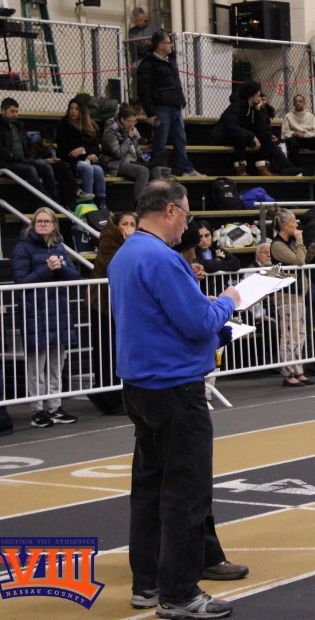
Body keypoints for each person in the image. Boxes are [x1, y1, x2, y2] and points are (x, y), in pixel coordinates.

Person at [108, 179, 244, 617]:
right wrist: (228, 301)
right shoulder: (162, 258)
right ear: (169, 210)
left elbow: (155, 316)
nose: (187, 224)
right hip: (175, 385)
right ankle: (181, 593)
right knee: (186, 490)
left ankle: (147, 582)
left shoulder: (126, 253)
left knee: (149, 487)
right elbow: (196, 323)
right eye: (185, 214)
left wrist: (204, 310)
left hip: (140, 384)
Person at [12, 208, 80, 428]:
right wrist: (47, 268)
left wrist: (59, 268)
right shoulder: (22, 247)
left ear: (54, 225)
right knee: (36, 365)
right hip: (35, 312)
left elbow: (74, 275)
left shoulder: (59, 246)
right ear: (32, 224)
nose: (43, 224)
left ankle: (55, 407)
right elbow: (21, 281)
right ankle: (37, 410)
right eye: (39, 221)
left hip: (58, 311)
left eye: (47, 221)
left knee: (56, 363)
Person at [87, 211, 138, 416]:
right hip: (103, 304)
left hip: (120, 306)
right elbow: (114, 266)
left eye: (132, 224)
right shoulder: (108, 241)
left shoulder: (134, 243)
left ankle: (117, 394)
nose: (129, 228)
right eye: (125, 223)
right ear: (117, 226)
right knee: (106, 351)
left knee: (119, 350)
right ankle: (107, 395)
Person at [137, 30, 203, 176]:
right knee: (160, 141)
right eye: (168, 42)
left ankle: (187, 169)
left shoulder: (170, 61)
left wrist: (181, 99)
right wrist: (150, 112)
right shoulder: (148, 64)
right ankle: (161, 171)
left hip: (175, 107)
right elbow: (143, 90)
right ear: (160, 45)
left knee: (181, 140)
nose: (171, 45)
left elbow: (176, 83)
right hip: (160, 108)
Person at [268, 207, 315, 388]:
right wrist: (300, 241)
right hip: (287, 296)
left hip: (298, 294)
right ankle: (288, 373)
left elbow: (304, 259)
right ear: (284, 225)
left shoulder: (290, 242)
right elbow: (299, 261)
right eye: (294, 222)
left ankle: (298, 370)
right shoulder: (277, 245)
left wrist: (313, 246)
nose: (296, 225)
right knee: (288, 336)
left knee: (299, 334)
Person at [0, 98, 56, 197]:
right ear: (2, 111)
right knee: (30, 170)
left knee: (46, 167)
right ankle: (47, 201)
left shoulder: (19, 127)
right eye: (12, 111)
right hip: (6, 164)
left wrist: (30, 158)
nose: (15, 114)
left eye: (16, 112)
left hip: (23, 161)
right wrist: (17, 158)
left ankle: (53, 199)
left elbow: (30, 145)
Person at [102, 104, 165, 204]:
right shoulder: (110, 131)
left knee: (155, 169)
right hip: (115, 162)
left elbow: (136, 146)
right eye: (129, 121)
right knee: (143, 171)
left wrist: (142, 156)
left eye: (134, 121)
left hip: (131, 160)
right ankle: (140, 204)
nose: (132, 124)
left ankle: (157, 202)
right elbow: (118, 153)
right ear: (122, 119)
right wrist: (129, 137)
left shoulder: (131, 129)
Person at [56, 97, 107, 207]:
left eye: (76, 109)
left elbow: (96, 149)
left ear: (82, 111)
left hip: (87, 160)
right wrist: (84, 155)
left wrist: (84, 151)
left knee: (98, 170)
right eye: (71, 108)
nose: (73, 111)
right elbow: (64, 152)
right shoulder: (63, 125)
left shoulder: (90, 126)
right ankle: (88, 201)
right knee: (87, 169)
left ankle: (101, 202)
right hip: (72, 162)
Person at [282, 94, 315, 164]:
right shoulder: (288, 116)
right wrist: (295, 134)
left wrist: (306, 135)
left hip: (307, 138)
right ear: (293, 103)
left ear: (304, 103)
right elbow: (285, 132)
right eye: (296, 101)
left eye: (300, 101)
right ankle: (296, 166)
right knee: (291, 142)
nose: (298, 103)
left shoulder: (310, 116)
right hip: (295, 138)